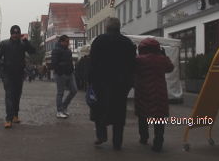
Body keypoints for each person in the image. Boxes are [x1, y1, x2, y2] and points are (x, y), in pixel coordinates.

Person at [88, 17, 136, 150]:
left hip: (101, 82)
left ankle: (101, 136)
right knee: (119, 112)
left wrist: (90, 81)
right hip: (121, 84)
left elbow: (92, 63)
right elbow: (133, 65)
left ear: (106, 27)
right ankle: (117, 141)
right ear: (119, 27)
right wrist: (130, 82)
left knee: (99, 109)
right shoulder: (127, 43)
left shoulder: (99, 41)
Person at [135, 38, 174, 152]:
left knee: (143, 116)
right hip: (159, 91)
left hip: (143, 92)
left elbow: (132, 69)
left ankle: (144, 137)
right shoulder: (162, 59)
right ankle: (158, 141)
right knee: (159, 117)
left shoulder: (138, 60)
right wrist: (164, 56)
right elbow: (170, 68)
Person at [0, 25, 36, 129]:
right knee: (9, 95)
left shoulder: (23, 44)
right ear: (10, 34)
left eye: (17, 33)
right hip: (7, 73)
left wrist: (27, 42)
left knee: (17, 95)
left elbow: (33, 51)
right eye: (13, 33)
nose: (15, 35)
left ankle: (15, 115)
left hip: (19, 73)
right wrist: (2, 64)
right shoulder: (4, 44)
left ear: (19, 34)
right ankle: (8, 119)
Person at [52, 35, 77, 119]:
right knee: (60, 93)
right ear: (62, 42)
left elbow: (70, 62)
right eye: (67, 41)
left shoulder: (68, 50)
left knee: (74, 90)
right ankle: (59, 111)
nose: (68, 43)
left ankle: (64, 106)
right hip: (61, 74)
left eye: (68, 41)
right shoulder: (56, 50)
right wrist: (60, 72)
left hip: (70, 73)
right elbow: (54, 63)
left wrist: (71, 70)